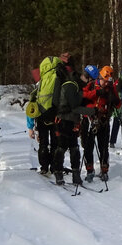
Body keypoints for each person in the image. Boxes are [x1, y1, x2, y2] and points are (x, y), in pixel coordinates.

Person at [81, 65, 120, 182]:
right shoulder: (91, 85)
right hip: (89, 120)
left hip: (104, 121)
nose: (105, 83)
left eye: (107, 81)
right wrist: (97, 93)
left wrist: (114, 99)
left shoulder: (111, 88)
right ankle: (89, 170)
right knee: (88, 147)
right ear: (100, 77)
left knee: (103, 148)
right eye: (104, 80)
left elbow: (118, 104)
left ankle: (104, 171)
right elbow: (83, 96)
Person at [50, 58, 85, 187]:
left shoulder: (60, 77)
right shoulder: (73, 77)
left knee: (63, 147)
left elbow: (54, 100)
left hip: (62, 118)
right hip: (71, 117)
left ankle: (59, 173)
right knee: (72, 147)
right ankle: (75, 175)